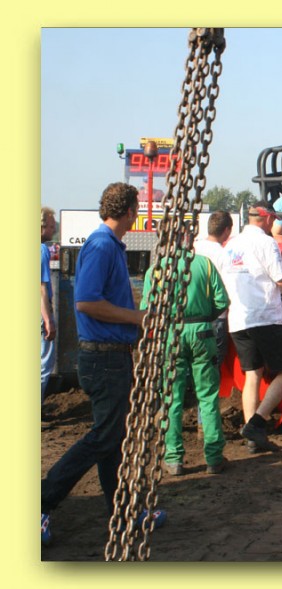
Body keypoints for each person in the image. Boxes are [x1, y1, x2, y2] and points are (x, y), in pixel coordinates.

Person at [41, 182, 166, 546]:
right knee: (104, 438)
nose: (138, 214)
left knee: (113, 439)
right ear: (129, 211)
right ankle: (43, 501)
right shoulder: (100, 246)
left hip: (110, 355)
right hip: (103, 358)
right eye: (137, 209)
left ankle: (122, 511)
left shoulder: (109, 245)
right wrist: (137, 317)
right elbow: (86, 302)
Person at [142, 244, 230, 476]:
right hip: (202, 333)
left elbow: (146, 309)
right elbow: (222, 301)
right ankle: (214, 458)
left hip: (170, 335)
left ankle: (173, 460)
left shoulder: (156, 270)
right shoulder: (205, 264)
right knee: (208, 397)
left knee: (171, 399)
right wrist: (204, 317)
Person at [222, 202, 282, 452]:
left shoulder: (231, 244)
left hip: (238, 319)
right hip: (265, 317)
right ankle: (257, 422)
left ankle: (252, 439)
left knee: (253, 375)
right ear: (267, 219)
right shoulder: (266, 243)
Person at [195, 211, 234, 366]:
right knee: (213, 366)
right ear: (227, 230)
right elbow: (228, 288)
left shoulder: (193, 248)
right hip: (216, 317)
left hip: (190, 316)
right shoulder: (224, 254)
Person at [41, 207, 57, 404]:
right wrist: (48, 320)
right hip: (40, 312)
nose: (54, 230)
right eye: (51, 226)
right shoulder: (41, 250)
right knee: (44, 364)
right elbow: (41, 288)